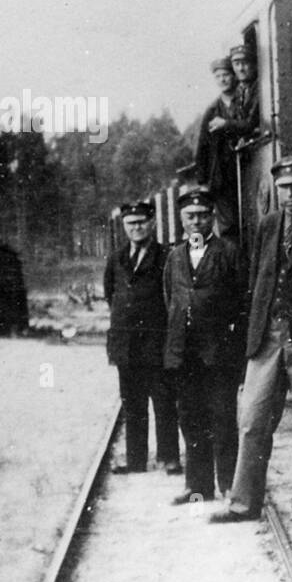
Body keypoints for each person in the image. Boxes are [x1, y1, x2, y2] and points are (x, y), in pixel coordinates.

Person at [210, 156, 292, 524]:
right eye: (283, 187)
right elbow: (256, 280)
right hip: (267, 336)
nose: (289, 193)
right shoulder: (268, 226)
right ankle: (243, 502)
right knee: (251, 419)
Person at [163, 186, 247, 504]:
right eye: (190, 216)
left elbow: (242, 300)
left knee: (223, 418)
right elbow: (170, 299)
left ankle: (228, 483)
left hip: (219, 353)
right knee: (190, 418)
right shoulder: (174, 256)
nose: (196, 221)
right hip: (185, 354)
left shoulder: (228, 252)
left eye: (202, 215)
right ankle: (197, 485)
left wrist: (232, 343)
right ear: (182, 220)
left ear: (211, 217)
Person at [104, 201, 180, 475]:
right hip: (126, 344)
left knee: (164, 401)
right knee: (132, 402)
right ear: (124, 226)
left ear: (153, 224)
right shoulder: (116, 258)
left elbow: (173, 296)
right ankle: (135, 460)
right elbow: (110, 294)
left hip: (157, 342)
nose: (136, 228)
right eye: (130, 223)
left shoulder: (166, 257)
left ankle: (169, 457)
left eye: (141, 222)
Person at [194, 57, 252, 239]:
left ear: (233, 76)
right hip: (222, 176)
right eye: (218, 76)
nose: (222, 80)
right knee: (228, 225)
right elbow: (202, 147)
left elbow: (250, 123)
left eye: (226, 75)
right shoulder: (212, 111)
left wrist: (229, 126)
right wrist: (202, 181)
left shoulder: (244, 100)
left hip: (245, 169)